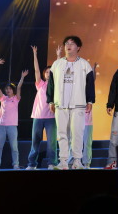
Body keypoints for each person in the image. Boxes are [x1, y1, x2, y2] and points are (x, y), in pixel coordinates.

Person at [47, 35, 95, 170]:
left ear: (78, 47)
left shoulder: (84, 64)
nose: (68, 45)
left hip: (78, 104)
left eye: (72, 43)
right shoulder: (57, 64)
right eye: (66, 43)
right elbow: (51, 84)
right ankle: (63, 161)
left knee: (77, 133)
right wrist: (50, 101)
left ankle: (77, 161)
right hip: (61, 104)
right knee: (62, 133)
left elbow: (90, 85)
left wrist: (90, 101)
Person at [27, 46, 58, 170]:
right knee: (35, 141)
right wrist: (35, 54)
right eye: (47, 72)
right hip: (38, 116)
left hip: (51, 117)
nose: (48, 74)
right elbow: (36, 70)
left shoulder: (56, 85)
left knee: (52, 142)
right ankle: (31, 164)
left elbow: (59, 69)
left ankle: (52, 163)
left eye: (51, 72)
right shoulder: (40, 84)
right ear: (44, 74)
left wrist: (58, 56)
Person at [0, 66, 27, 170]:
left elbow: (19, 87)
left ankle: (15, 164)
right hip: (1, 125)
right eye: (6, 89)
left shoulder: (16, 99)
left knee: (14, 147)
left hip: (12, 126)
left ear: (13, 90)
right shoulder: (3, 98)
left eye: (10, 89)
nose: (8, 90)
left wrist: (22, 77)